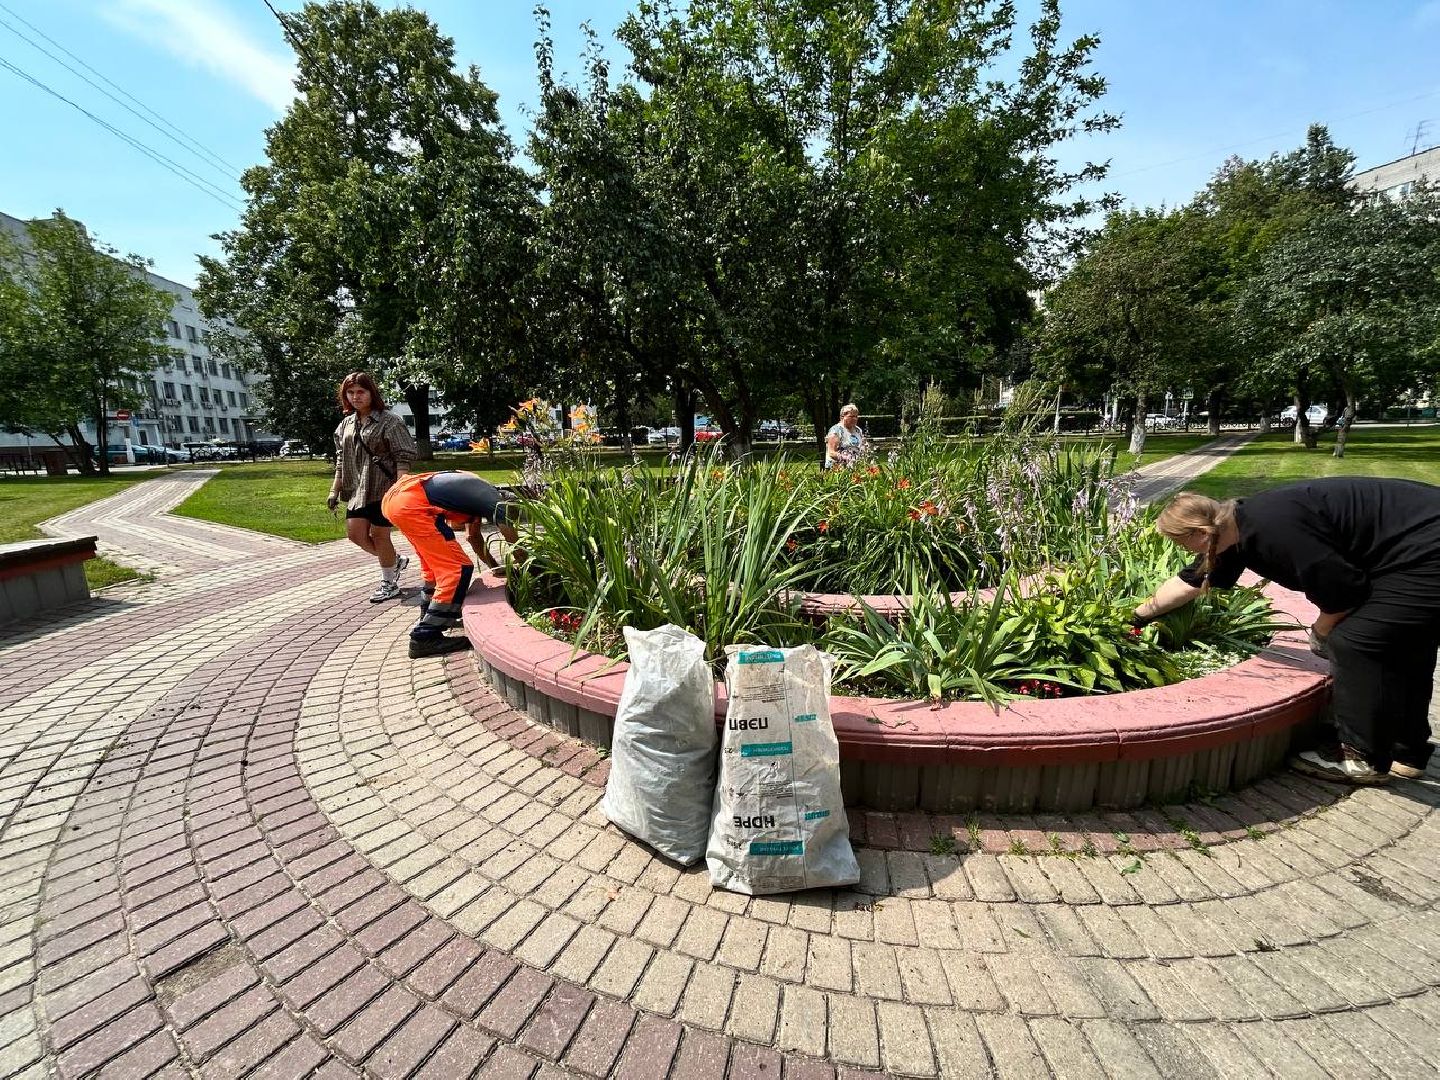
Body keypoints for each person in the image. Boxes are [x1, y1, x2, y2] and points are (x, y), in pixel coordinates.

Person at [1133, 478, 1440, 784]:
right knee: (1404, 641)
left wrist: (1320, 632)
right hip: (1415, 545)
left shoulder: (1274, 531)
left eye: (1178, 541)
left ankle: (1361, 757)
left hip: (1427, 549)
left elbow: (1343, 592)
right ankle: (1406, 750)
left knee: (1355, 641)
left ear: (1200, 534)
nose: (1179, 549)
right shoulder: (1233, 528)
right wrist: (1137, 617)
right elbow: (1192, 581)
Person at [380, 470, 522, 659]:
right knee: (457, 569)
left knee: (433, 569)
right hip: (412, 504)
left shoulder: (474, 494)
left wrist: (495, 567)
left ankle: (429, 614)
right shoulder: (495, 501)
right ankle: (425, 636)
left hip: (396, 500)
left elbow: (473, 537)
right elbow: (515, 543)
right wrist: (529, 565)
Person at [326, 372, 418, 603]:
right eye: (351, 392)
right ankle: (394, 561)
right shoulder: (346, 425)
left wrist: (399, 488)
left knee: (379, 535)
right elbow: (341, 459)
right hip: (358, 488)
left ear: (371, 393)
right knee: (355, 535)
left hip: (383, 487)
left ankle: (389, 582)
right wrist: (334, 491)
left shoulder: (390, 421)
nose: (356, 396)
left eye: (361, 392)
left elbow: (403, 456)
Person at [825, 403, 866, 469]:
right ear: (842, 417)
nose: (854, 419)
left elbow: (862, 446)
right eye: (851, 416)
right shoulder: (836, 430)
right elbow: (831, 453)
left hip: (855, 468)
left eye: (856, 416)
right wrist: (846, 458)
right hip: (838, 470)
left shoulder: (858, 430)